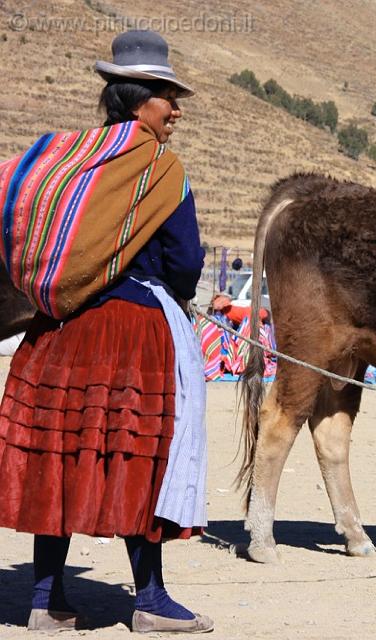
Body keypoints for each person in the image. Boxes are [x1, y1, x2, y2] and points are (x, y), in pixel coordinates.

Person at [0, 31, 212, 633]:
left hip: (57, 334)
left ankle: (44, 601)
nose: (176, 108)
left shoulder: (66, 159)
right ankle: (149, 600)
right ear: (138, 98)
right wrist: (177, 292)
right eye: (168, 95)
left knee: (58, 458)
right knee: (136, 456)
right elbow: (185, 262)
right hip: (131, 336)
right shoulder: (160, 169)